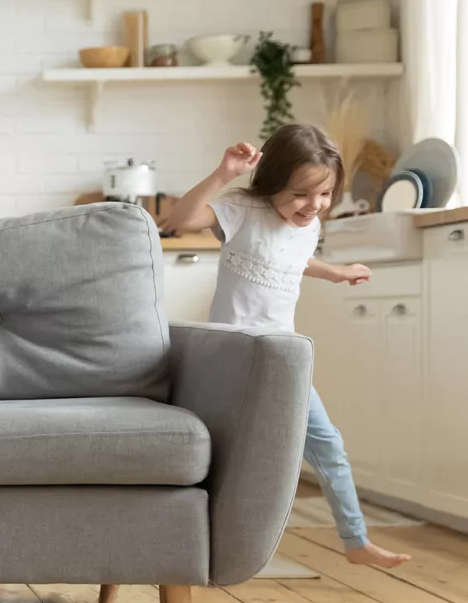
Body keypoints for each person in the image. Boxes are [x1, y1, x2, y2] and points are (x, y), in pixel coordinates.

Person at [163, 123, 411, 569]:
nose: (312, 206)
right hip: (233, 358)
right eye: (300, 194)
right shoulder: (242, 210)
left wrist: (333, 271)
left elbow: (290, 259)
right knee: (223, 454)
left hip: (283, 359)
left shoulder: (308, 226)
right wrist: (223, 173)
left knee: (328, 446)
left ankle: (355, 540)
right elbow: (178, 222)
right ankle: (195, 542)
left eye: (324, 195)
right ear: (273, 181)